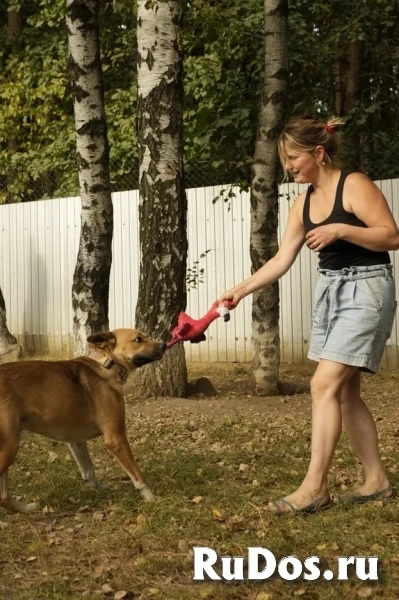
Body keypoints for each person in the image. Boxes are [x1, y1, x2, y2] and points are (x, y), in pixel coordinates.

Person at [218, 115, 399, 514]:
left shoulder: (354, 185)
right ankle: (377, 480)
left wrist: (341, 230)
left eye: (293, 157)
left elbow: (391, 235)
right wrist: (240, 290)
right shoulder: (303, 203)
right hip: (331, 290)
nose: (289, 166)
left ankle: (315, 487)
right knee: (344, 392)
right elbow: (282, 259)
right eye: (285, 159)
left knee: (322, 386)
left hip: (366, 288)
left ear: (318, 153)